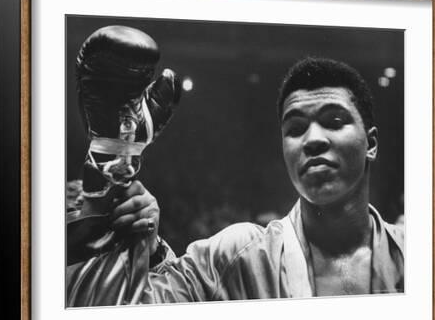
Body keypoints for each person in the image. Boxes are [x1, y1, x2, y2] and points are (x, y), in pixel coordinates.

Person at [66, 57, 404, 306]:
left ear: (371, 143)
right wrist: (109, 166)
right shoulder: (236, 256)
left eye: (333, 120)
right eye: (295, 129)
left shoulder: (429, 253)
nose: (312, 139)